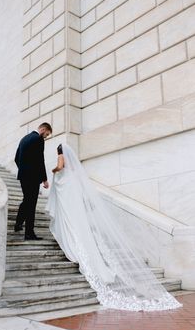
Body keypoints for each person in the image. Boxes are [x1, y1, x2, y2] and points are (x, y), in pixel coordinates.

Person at [46, 143, 182, 311]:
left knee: (70, 221)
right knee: (76, 222)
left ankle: (75, 245)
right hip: (72, 196)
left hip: (67, 196)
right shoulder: (74, 169)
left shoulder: (61, 157)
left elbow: (59, 167)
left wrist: (53, 171)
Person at [14, 123, 52, 240]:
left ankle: (18, 224)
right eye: (46, 134)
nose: (45, 137)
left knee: (26, 200)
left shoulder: (24, 138)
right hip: (32, 178)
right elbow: (40, 160)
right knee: (31, 204)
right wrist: (44, 179)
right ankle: (29, 233)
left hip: (23, 176)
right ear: (43, 129)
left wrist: (23, 170)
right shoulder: (38, 139)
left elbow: (16, 158)